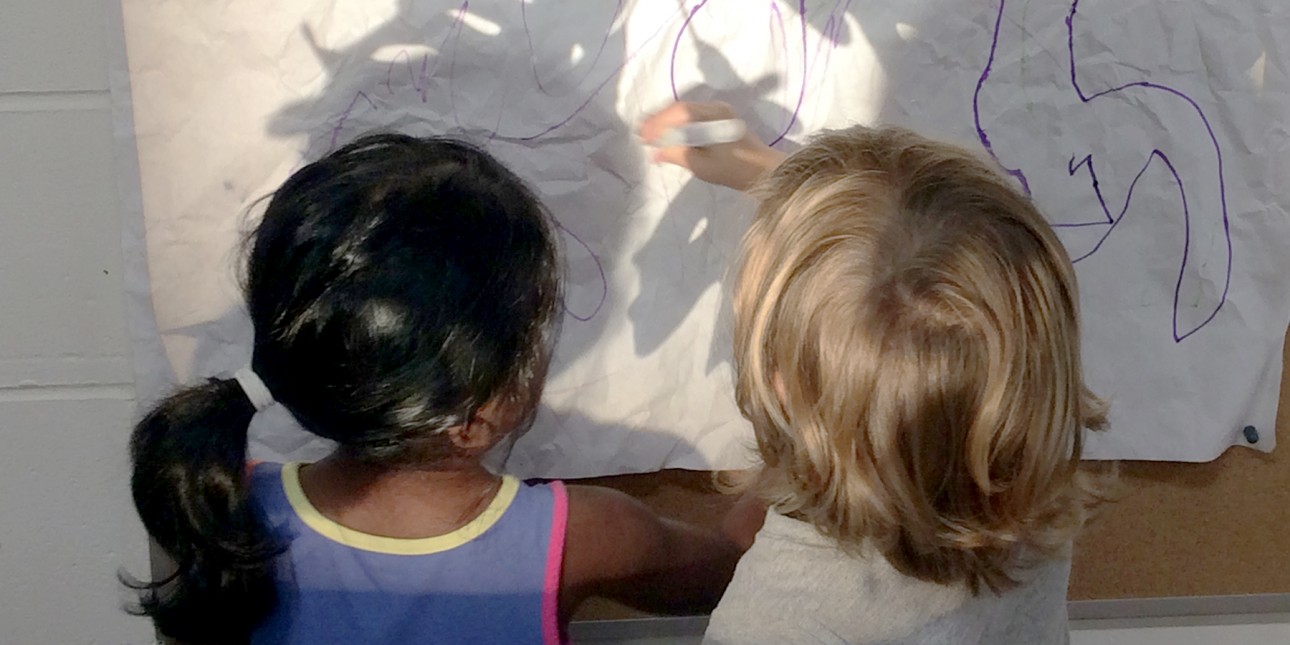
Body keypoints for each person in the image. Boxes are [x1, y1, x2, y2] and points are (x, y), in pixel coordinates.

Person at [126, 133, 749, 644]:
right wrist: (800, 472)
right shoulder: (584, 536)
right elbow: (733, 572)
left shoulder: (222, 505)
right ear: (474, 416)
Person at [642, 102, 1111, 644]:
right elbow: (923, 284)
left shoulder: (769, 623)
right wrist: (760, 168)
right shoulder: (1025, 493)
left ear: (784, 389)